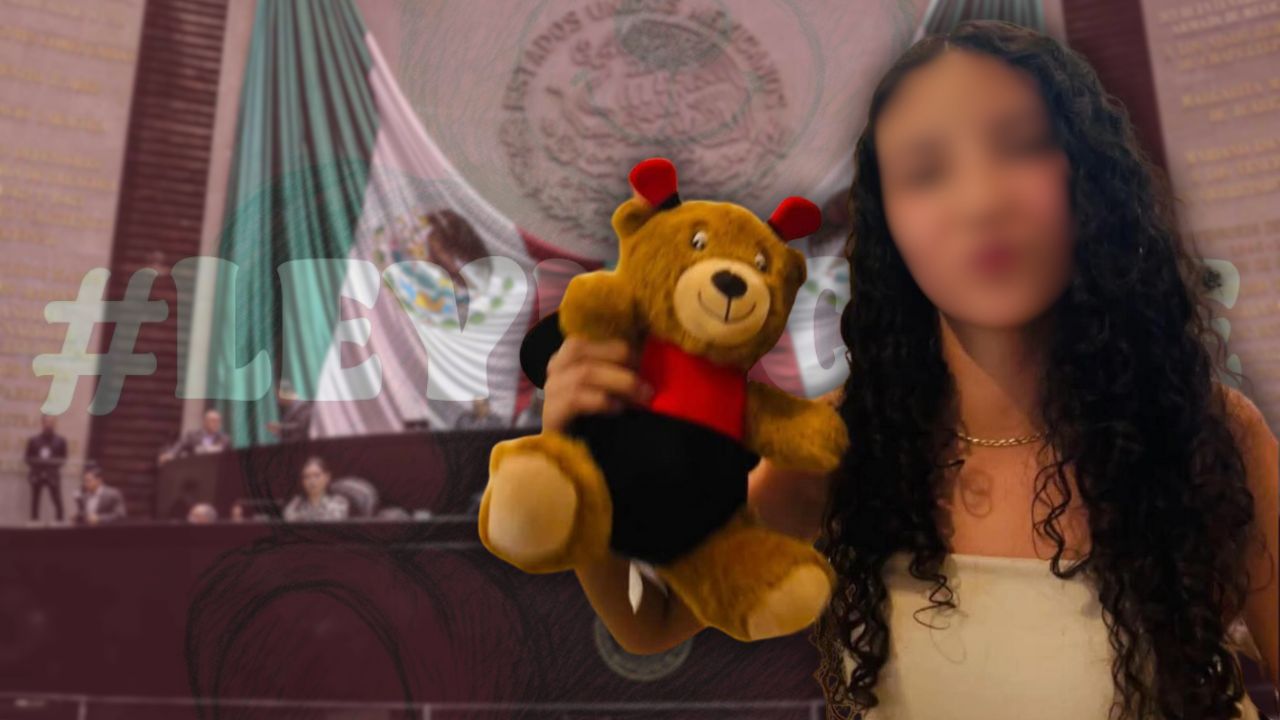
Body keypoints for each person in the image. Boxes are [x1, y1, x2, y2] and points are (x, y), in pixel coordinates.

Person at [531, 20, 1278, 720]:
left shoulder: (1205, 435)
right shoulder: (845, 444)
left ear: (1088, 184)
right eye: (926, 172)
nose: (980, 202)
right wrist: (584, 461)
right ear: (889, 226)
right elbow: (650, 617)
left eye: (1020, 146)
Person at [24, 414, 67, 522]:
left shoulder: (61, 441)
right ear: (42, 423)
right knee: (35, 500)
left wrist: (50, 464)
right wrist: (38, 463)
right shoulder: (33, 440)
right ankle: (34, 522)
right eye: (46, 422)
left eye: (51, 422)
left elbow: (64, 459)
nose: (49, 424)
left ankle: (60, 522)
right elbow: (27, 458)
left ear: (55, 424)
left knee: (57, 499)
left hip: (53, 475)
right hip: (37, 474)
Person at [282, 456, 349, 522]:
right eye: (307, 477)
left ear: (327, 477)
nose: (312, 481)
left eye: (317, 475)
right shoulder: (295, 506)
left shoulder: (338, 503)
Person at [161, 409, 231, 464]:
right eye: (213, 421)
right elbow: (179, 447)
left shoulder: (224, 439)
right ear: (205, 422)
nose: (216, 424)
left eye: (218, 421)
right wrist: (170, 454)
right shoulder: (192, 436)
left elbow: (229, 457)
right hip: (195, 468)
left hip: (215, 470)